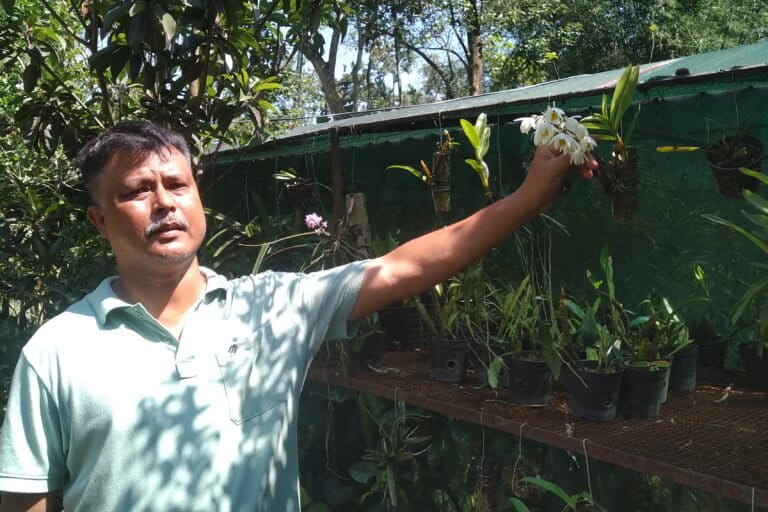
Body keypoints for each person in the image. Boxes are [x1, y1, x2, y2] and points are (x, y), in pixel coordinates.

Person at [0, 120, 595, 511]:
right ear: (100, 221)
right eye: (136, 191)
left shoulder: (274, 307)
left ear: (199, 198)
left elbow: (405, 266)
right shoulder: (57, 351)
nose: (164, 203)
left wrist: (528, 197)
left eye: (177, 184)